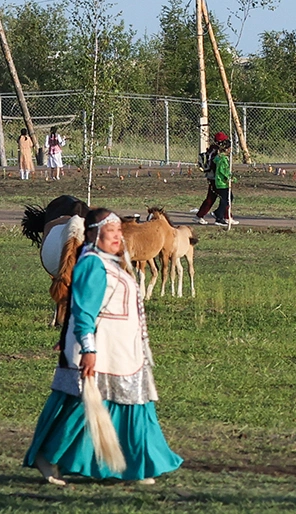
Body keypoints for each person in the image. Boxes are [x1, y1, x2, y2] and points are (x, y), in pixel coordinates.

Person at [24, 207, 183, 485]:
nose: (118, 237)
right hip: (100, 350)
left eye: (119, 232)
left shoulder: (110, 263)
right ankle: (47, 456)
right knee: (79, 407)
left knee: (135, 406)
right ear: (95, 235)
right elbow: (83, 311)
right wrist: (88, 350)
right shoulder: (91, 265)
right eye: (112, 232)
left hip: (124, 351)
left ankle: (136, 465)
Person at [193, 132, 226, 225]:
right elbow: (214, 164)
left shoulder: (214, 149)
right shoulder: (215, 150)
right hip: (215, 178)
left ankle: (199, 216)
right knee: (225, 197)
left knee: (212, 198)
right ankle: (223, 217)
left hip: (214, 177)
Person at [212, 136, 238, 226]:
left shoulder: (219, 158)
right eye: (230, 147)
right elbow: (224, 171)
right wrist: (230, 178)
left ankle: (219, 214)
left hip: (221, 182)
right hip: (222, 182)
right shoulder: (223, 159)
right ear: (226, 149)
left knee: (227, 198)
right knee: (227, 199)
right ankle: (218, 216)